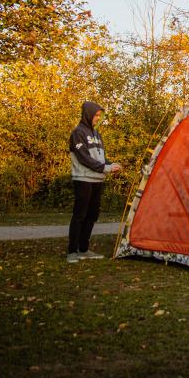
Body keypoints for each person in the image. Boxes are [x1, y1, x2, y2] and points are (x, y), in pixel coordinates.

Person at [67, 100, 122, 263]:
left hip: (98, 180)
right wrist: (104, 168)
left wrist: (111, 165)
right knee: (80, 215)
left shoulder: (97, 135)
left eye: (100, 115)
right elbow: (84, 158)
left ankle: (84, 249)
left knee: (92, 215)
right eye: (96, 115)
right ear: (88, 114)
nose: (98, 118)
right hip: (83, 179)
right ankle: (72, 251)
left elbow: (101, 159)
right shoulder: (78, 133)